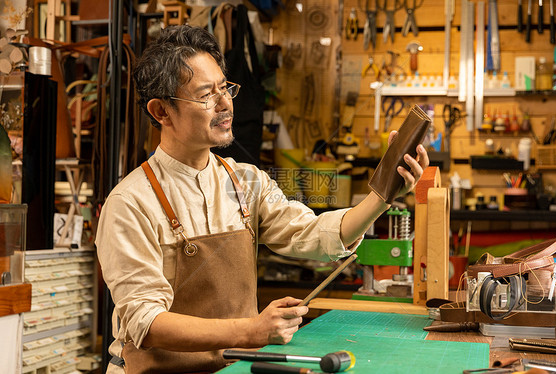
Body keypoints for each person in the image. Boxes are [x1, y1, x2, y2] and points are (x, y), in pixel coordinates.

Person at [96, 24, 429, 374]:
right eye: (206, 95)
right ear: (161, 112)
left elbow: (311, 234)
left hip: (231, 367)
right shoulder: (131, 203)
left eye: (225, 88)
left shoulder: (244, 181)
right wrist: (252, 329)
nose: (225, 104)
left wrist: (383, 192)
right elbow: (147, 323)